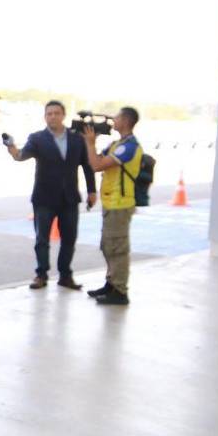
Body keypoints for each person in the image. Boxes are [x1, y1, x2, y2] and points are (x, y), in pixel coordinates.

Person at [7, 100, 97, 290]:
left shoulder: (77, 139)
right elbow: (22, 155)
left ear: (63, 115)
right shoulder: (37, 138)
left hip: (69, 198)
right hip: (44, 198)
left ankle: (65, 275)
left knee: (69, 238)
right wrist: (13, 150)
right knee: (42, 239)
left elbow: (87, 166)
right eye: (49, 114)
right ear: (45, 117)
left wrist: (91, 190)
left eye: (56, 113)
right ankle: (41, 274)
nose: (53, 117)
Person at [83, 107, 142, 306]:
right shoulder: (117, 144)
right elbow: (96, 160)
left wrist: (90, 143)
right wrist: (91, 143)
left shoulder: (129, 147)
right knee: (108, 246)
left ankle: (120, 291)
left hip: (121, 203)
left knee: (117, 248)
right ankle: (111, 283)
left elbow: (97, 166)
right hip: (112, 203)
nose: (113, 120)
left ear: (125, 121)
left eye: (116, 117)